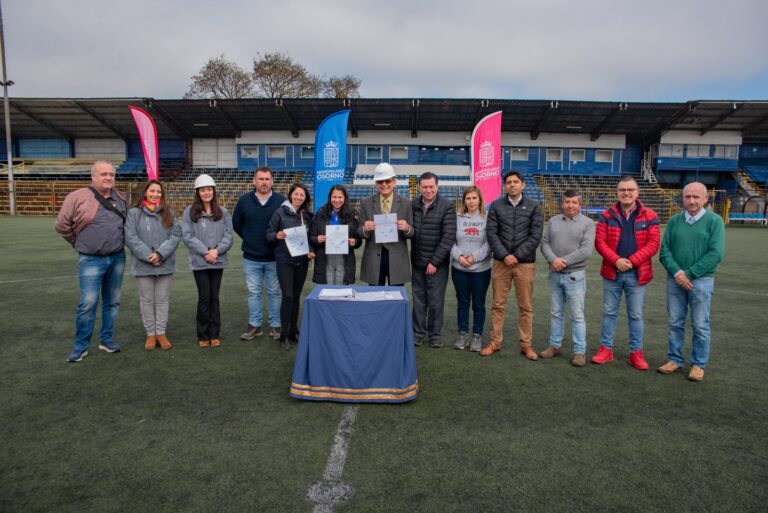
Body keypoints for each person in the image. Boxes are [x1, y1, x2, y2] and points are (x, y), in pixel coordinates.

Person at [55, 161, 128, 363]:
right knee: (88, 303)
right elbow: (61, 225)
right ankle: (80, 346)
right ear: (93, 176)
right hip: (90, 259)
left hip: (117, 257)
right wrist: (78, 242)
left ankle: (106, 339)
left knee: (112, 302)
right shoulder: (77, 197)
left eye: (111, 174)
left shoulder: (121, 197)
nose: (108, 178)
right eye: (104, 174)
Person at [658, 182, 725, 382]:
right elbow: (665, 252)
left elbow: (716, 253)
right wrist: (678, 273)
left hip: (701, 281)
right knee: (675, 322)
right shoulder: (674, 221)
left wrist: (689, 273)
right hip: (675, 280)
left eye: (696, 197)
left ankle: (698, 364)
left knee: (700, 324)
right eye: (688, 197)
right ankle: (675, 359)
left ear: (706, 199)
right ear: (683, 198)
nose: (692, 200)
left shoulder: (715, 221)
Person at [592, 176, 660, 370]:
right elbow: (600, 242)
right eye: (622, 190)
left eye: (630, 189)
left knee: (636, 315)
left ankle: (636, 352)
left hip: (638, 274)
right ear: (617, 193)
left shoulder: (650, 216)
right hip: (612, 273)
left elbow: (653, 244)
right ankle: (606, 349)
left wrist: (632, 262)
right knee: (608, 313)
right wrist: (616, 261)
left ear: (637, 192)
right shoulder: (606, 215)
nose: (626, 193)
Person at [482, 171, 543, 360]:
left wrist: (516, 256)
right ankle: (495, 341)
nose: (512, 185)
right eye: (508, 182)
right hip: (501, 263)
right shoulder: (497, 206)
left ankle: (526, 345)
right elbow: (491, 233)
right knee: (498, 305)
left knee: (525, 306)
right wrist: (504, 255)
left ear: (523, 185)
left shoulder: (533, 206)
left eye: (516, 182)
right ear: (505, 186)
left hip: (524, 264)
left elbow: (535, 235)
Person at [539, 189, 595, 366]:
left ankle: (580, 352)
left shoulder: (588, 223)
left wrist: (561, 261)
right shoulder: (554, 221)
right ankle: (555, 345)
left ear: (579, 204)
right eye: (567, 202)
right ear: (562, 203)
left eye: (574, 202)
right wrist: (553, 260)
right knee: (556, 313)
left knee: (577, 316)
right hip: (555, 275)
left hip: (574, 276)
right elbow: (545, 243)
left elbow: (586, 250)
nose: (570, 205)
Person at [124, 180, 182, 351]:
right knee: (147, 299)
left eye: (158, 192)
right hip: (143, 264)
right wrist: (148, 256)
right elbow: (131, 237)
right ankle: (151, 334)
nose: (155, 195)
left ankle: (161, 332)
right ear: (145, 193)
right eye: (152, 191)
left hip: (165, 264)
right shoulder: (134, 213)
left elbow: (175, 235)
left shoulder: (169, 212)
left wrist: (160, 254)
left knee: (162, 299)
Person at [233, 167, 285, 342]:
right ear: (254, 181)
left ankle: (275, 325)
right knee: (253, 293)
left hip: (274, 257)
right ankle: (254, 325)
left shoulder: (281, 201)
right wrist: (250, 238)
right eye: (261, 179)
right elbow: (237, 224)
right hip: (251, 257)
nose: (264, 182)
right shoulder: (244, 201)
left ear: (272, 181)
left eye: (267, 179)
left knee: (274, 292)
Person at [182, 174, 234, 348]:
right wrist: (206, 252)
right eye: (203, 190)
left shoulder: (223, 212)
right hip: (200, 261)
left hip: (217, 260)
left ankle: (214, 333)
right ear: (198, 192)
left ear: (214, 191)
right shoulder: (190, 212)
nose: (206, 193)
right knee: (204, 297)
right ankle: (203, 334)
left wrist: (216, 251)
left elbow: (228, 236)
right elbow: (188, 236)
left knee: (214, 297)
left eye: (209, 189)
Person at [266, 183, 316, 351]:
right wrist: (276, 235)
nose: (299, 197)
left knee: (296, 296)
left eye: (302, 195)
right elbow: (269, 234)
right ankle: (284, 335)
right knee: (287, 296)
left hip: (301, 261)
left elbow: (310, 237)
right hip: (285, 260)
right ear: (290, 195)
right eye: (296, 194)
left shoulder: (307, 215)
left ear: (305, 198)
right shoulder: (279, 212)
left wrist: (311, 250)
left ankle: (294, 331)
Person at [410, 172, 457, 348]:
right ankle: (418, 333)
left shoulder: (447, 206)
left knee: (435, 301)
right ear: (419, 187)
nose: (428, 190)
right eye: (424, 187)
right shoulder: (413, 204)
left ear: (437, 187)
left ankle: (435, 335)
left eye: (431, 187)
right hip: (417, 262)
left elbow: (448, 237)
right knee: (419, 300)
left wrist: (434, 262)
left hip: (437, 265)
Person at [450, 186, 492, 352]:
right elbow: (449, 240)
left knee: (479, 304)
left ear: (480, 200)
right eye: (468, 198)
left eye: (474, 198)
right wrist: (459, 257)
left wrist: (474, 257)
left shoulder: (487, 218)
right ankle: (462, 334)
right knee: (462, 303)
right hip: (459, 269)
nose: (471, 201)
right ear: (464, 201)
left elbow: (490, 243)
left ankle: (477, 335)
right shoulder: (457, 218)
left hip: (481, 270)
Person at [358, 163, 414, 286]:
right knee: (375, 296)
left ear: (394, 182)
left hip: (397, 257)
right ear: (375, 183)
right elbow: (359, 231)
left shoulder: (406, 204)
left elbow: (412, 232)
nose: (384, 185)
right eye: (380, 181)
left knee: (396, 295)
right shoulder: (366, 203)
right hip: (374, 256)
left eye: (387, 181)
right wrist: (365, 229)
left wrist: (407, 228)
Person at [309, 184, 361, 285]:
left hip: (344, 259)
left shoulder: (351, 215)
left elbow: (358, 239)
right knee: (326, 291)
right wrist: (317, 239)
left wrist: (354, 242)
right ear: (330, 198)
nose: (337, 200)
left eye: (340, 197)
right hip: (325, 259)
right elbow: (311, 236)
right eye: (334, 197)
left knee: (340, 292)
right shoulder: (320, 214)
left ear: (344, 198)